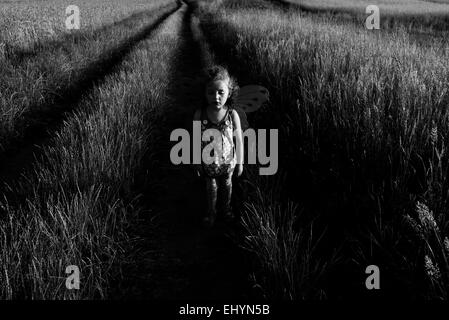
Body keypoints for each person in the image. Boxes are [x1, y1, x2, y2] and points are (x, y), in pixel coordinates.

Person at [193, 65, 243, 227]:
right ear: (204, 93)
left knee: (227, 184)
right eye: (211, 92)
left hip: (228, 163)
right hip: (208, 163)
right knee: (211, 187)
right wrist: (196, 161)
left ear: (229, 91)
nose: (216, 97)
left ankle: (226, 209)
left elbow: (239, 139)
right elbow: (194, 138)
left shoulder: (232, 114)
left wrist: (240, 162)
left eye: (221, 92)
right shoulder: (200, 114)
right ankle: (211, 212)